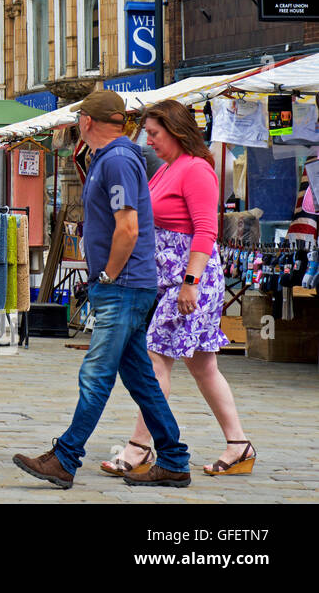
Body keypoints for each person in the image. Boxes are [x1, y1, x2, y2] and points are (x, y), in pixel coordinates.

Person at [13, 90, 190, 489]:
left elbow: (127, 228)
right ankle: (175, 460)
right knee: (141, 379)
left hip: (123, 286)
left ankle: (65, 457)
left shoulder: (118, 160)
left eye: (79, 120)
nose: (77, 125)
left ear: (87, 122)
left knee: (95, 374)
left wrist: (107, 276)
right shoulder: (112, 159)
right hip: (127, 285)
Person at [102, 100, 254, 478]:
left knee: (155, 360)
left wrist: (190, 283)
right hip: (170, 281)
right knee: (203, 366)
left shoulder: (197, 170)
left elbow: (205, 231)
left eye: (154, 134)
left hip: (189, 281)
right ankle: (239, 444)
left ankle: (140, 446)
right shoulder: (168, 170)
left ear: (174, 130)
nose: (149, 141)